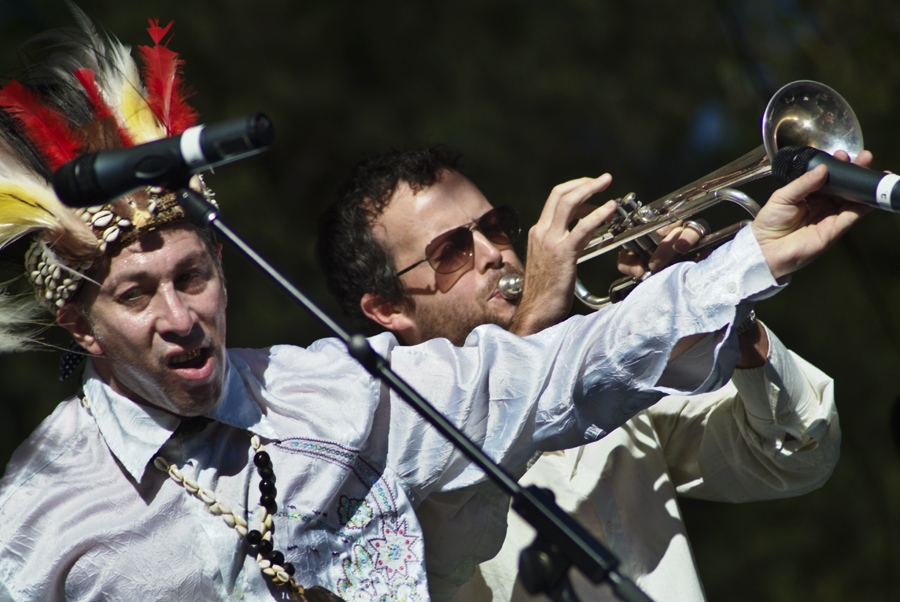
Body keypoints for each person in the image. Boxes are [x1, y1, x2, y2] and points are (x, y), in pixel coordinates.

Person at [0, 13, 866, 602]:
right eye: (136, 294)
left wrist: (736, 279)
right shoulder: (33, 514)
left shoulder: (328, 394)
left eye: (193, 278)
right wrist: (545, 329)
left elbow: (787, 455)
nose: (179, 316)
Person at [315, 147, 869, 601]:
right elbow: (441, 557)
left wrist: (721, 309)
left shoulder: (616, 358)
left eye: (494, 227)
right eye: (451, 250)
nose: (493, 253)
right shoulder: (376, 446)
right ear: (386, 310)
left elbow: (796, 455)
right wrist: (532, 334)